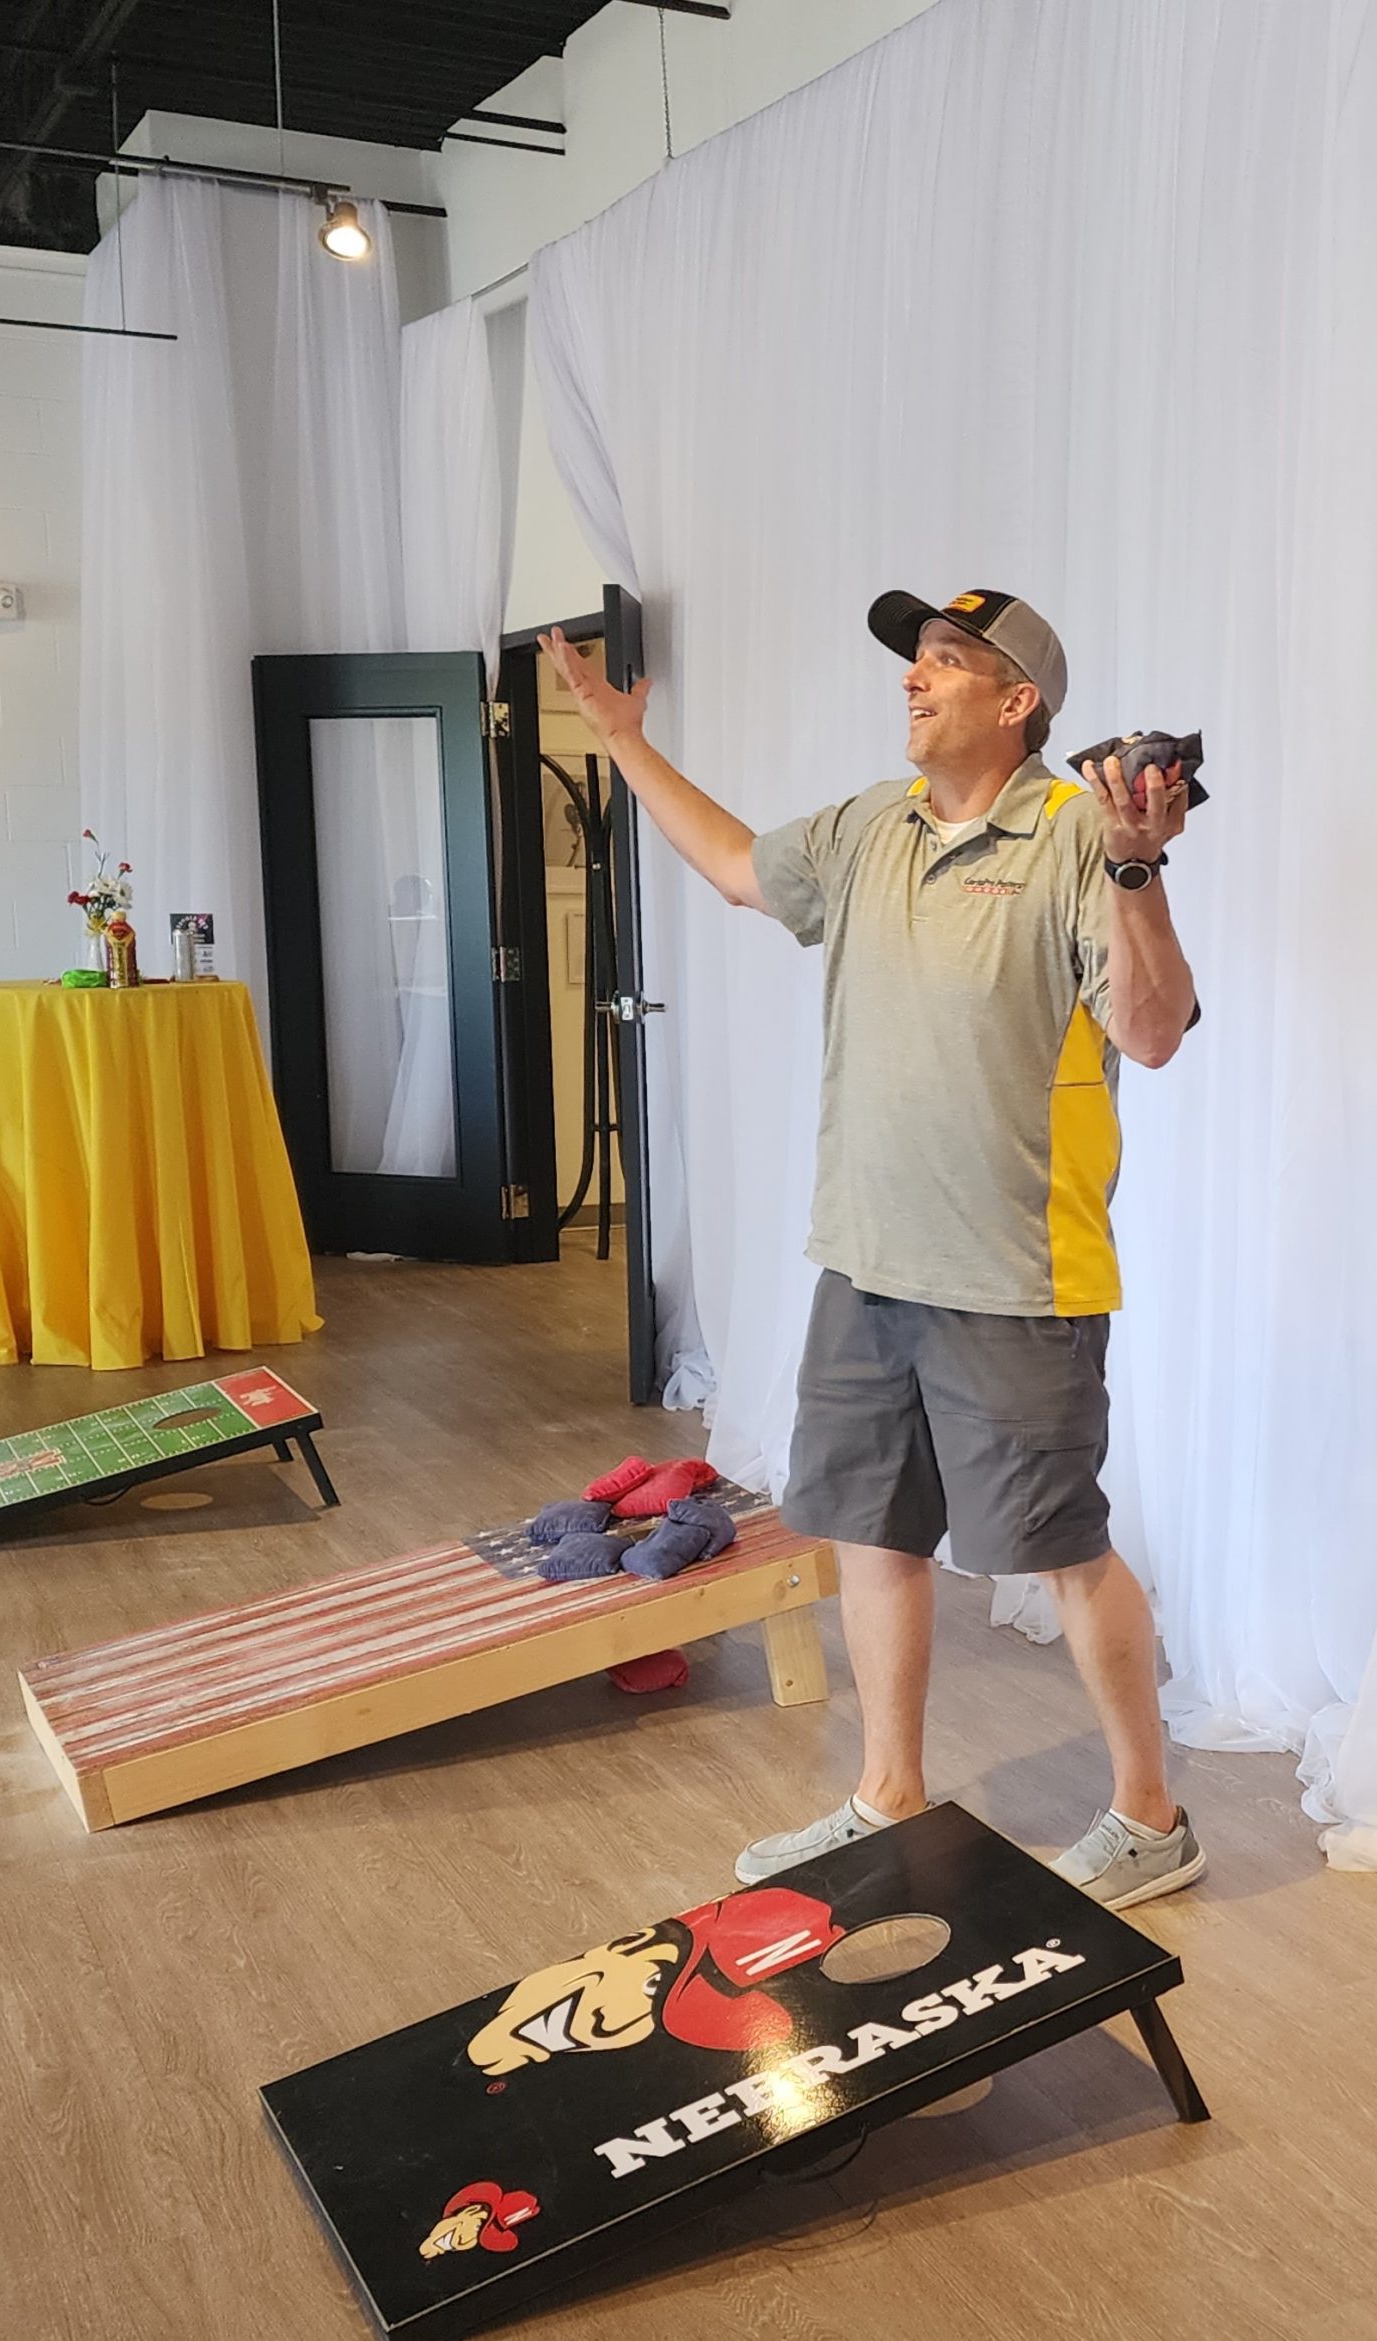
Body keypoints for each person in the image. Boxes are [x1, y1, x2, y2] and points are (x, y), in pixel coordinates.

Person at [543, 587, 1206, 1909]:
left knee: (1062, 1549)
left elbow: (1153, 1028)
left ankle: (1151, 1816)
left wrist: (1136, 868)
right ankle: (887, 1790)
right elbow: (739, 868)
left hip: (1015, 1272)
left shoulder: (1083, 833)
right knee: (872, 1534)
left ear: (1016, 701)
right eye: (913, 662)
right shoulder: (865, 829)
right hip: (864, 1260)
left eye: (947, 663)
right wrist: (620, 741)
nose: (914, 681)